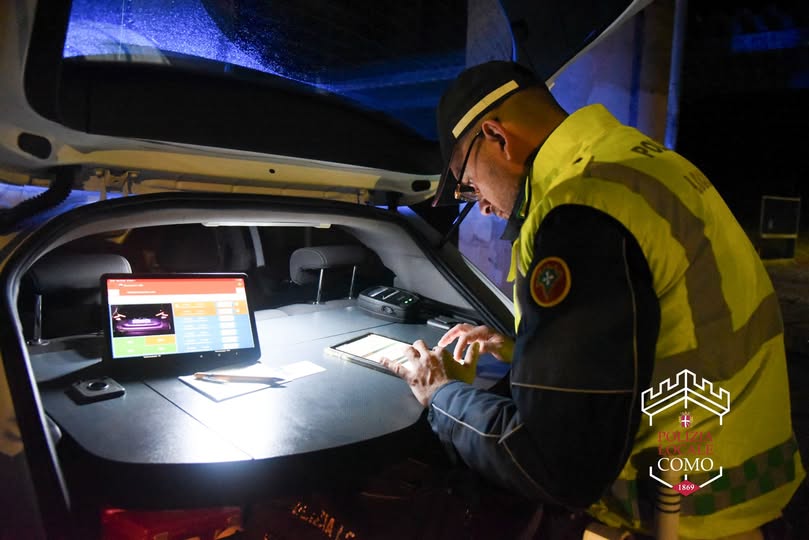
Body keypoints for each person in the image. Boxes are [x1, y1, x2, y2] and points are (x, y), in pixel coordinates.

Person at [380, 61, 805, 539]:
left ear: (496, 136)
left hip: (675, 520)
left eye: (466, 178)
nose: (476, 201)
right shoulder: (646, 167)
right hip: (746, 499)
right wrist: (528, 354)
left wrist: (441, 395)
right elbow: (663, 339)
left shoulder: (581, 209)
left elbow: (552, 465)